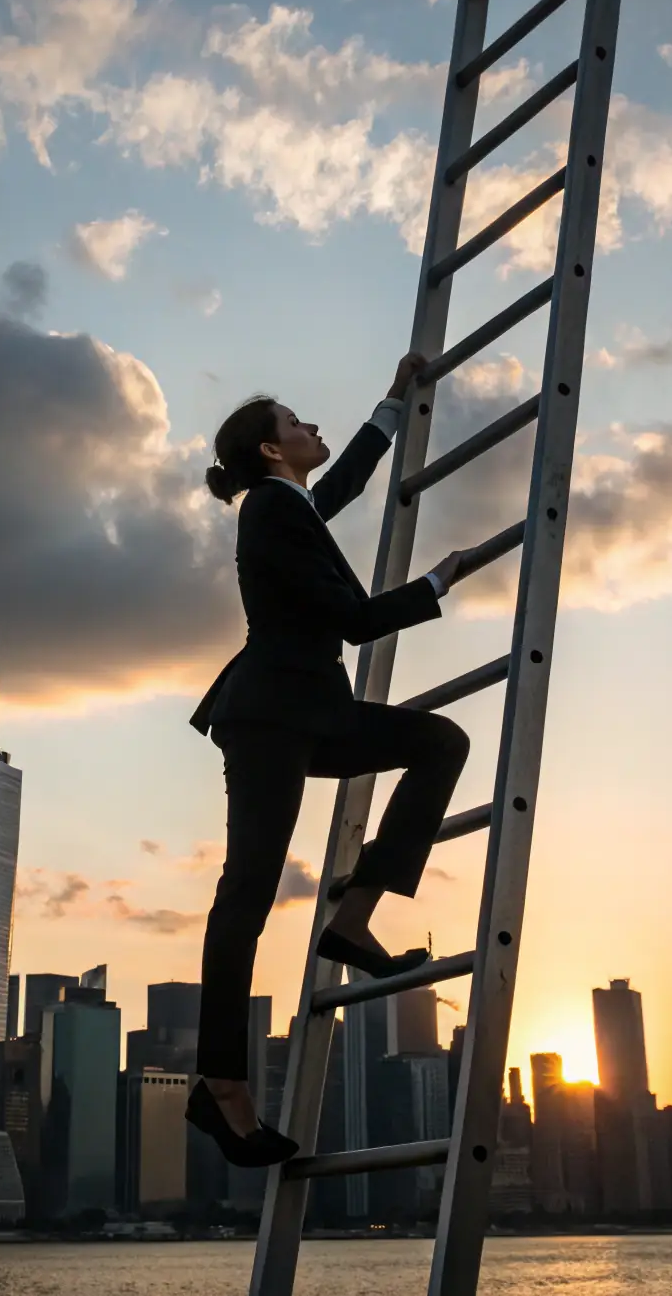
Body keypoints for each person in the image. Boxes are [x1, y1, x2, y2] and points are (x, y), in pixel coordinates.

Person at [183, 353, 472, 1168]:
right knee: (246, 891)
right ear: (273, 452)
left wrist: (390, 403)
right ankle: (222, 1085)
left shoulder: (288, 505)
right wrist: (436, 584)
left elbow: (336, 488)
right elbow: (353, 621)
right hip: (273, 718)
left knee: (438, 742)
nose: (313, 426)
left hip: (313, 712)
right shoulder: (271, 515)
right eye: (297, 422)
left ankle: (352, 918)